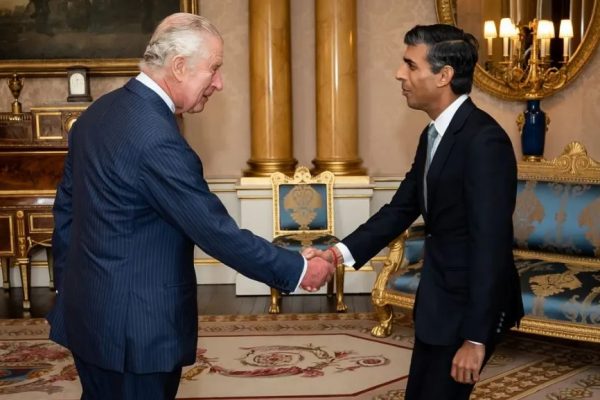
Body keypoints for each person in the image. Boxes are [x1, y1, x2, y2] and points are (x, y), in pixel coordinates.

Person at [47, 13, 334, 400]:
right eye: (214, 68)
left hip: (89, 314)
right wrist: (298, 268)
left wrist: (69, 290)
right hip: (137, 332)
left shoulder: (97, 114)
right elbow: (214, 231)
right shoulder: (156, 138)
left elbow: (66, 213)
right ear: (180, 67)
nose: (219, 82)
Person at [304, 24, 524, 400]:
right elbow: (400, 209)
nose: (399, 74)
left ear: (444, 75)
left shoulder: (483, 141)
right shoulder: (433, 134)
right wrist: (335, 255)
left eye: (410, 65)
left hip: (468, 308)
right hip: (439, 300)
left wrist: (475, 338)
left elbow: (492, 245)